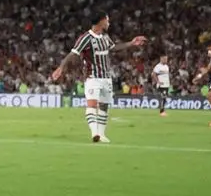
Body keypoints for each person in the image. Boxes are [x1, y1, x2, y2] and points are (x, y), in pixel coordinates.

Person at [50, 13, 146, 143]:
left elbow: (114, 48)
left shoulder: (105, 37)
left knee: (104, 106)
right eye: (107, 20)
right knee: (92, 104)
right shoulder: (86, 38)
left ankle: (101, 134)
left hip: (106, 77)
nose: (109, 23)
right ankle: (94, 133)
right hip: (92, 77)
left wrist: (131, 43)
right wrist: (61, 68)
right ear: (101, 21)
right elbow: (73, 53)